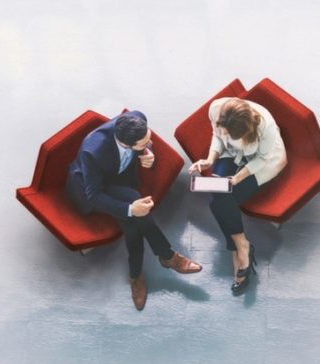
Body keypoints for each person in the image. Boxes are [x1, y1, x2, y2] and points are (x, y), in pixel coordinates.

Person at [66, 111, 202, 310]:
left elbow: (147, 144)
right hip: (94, 187)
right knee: (133, 209)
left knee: (132, 226)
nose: (149, 142)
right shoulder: (93, 152)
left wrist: (148, 152)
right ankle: (165, 257)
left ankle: (137, 275)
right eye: (143, 143)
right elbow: (93, 196)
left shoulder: (137, 118)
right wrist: (130, 210)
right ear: (125, 144)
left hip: (121, 177)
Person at [187, 98, 287, 294]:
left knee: (221, 200)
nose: (224, 133)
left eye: (228, 132)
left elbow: (262, 159)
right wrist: (210, 160)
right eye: (224, 130)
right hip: (231, 154)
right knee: (218, 199)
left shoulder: (265, 128)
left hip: (261, 162)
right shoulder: (216, 109)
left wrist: (237, 178)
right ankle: (242, 245)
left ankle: (237, 248)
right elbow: (217, 136)